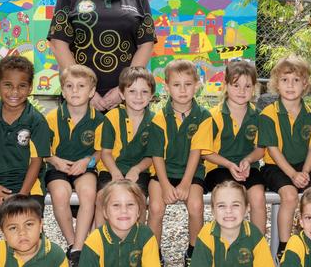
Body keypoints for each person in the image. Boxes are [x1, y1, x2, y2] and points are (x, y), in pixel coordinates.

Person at [47, 0, 156, 111]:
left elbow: (146, 44)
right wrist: (84, 90)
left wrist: (124, 89)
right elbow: (58, 43)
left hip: (128, 100)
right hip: (78, 99)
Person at [0, 56, 52, 257]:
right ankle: (0, 262)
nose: (14, 92)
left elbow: (36, 161)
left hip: (28, 186)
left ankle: (40, 260)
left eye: (21, 86)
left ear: (30, 88)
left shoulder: (36, 121)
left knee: (28, 233)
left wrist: (22, 195)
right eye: (8, 85)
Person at [146, 59, 213, 266]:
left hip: (192, 172)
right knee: (156, 207)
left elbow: (196, 152)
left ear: (197, 85)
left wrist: (185, 183)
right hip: (163, 171)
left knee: (195, 205)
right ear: (166, 87)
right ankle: (153, 254)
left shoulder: (203, 116)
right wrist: (165, 185)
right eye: (176, 85)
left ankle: (194, 252)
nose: (182, 90)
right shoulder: (159, 117)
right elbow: (157, 156)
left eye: (188, 84)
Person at [258, 55, 311, 260]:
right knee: (289, 196)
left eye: (296, 80)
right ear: (276, 84)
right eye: (285, 80)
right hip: (276, 167)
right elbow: (273, 150)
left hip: (304, 166)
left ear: (305, 84)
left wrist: (304, 172)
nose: (290, 85)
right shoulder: (268, 114)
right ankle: (284, 248)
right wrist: (293, 174)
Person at [44, 64, 105, 266]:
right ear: (62, 90)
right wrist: (55, 160)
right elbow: (42, 150)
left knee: (88, 192)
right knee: (60, 194)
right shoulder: (51, 117)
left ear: (92, 92)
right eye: (69, 86)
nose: (75, 91)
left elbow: (102, 150)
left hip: (85, 167)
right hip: (58, 167)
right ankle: (72, 245)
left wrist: (88, 161)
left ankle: (80, 247)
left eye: (81, 86)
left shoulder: (100, 120)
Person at [202, 60, 267, 233]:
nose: (241, 91)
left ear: (254, 88)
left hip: (248, 168)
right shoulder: (214, 115)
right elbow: (205, 152)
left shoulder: (257, 116)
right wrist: (230, 165)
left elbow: (260, 149)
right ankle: (225, 241)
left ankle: (257, 246)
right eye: (236, 85)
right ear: (226, 85)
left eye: (247, 86)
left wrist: (248, 160)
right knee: (230, 197)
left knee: (258, 197)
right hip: (219, 167)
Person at [94, 66, 161, 226]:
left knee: (139, 199)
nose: (138, 97)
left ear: (151, 96)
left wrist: (136, 169)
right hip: (111, 168)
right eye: (132, 91)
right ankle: (100, 241)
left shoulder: (155, 121)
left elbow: (152, 156)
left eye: (144, 92)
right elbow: (105, 153)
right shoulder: (112, 117)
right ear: (122, 94)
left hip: (140, 170)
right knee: (102, 197)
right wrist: (115, 172)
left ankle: (137, 242)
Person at [191, 181, 274, 266]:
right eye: (221, 205)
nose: (228, 211)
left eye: (235, 205)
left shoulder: (255, 236)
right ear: (213, 211)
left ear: (246, 209)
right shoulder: (206, 234)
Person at [80, 180, 160, 266]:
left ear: (139, 211)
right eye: (116, 205)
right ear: (105, 212)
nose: (124, 210)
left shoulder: (146, 236)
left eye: (130, 204)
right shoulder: (94, 241)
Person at [0, 195, 68, 266]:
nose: (22, 233)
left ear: (40, 225)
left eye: (29, 224)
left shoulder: (55, 255)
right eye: (13, 228)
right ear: (3, 233)